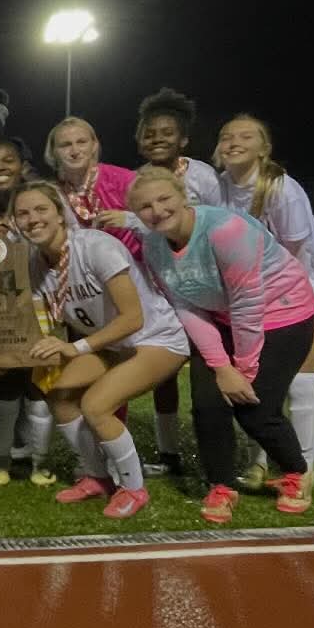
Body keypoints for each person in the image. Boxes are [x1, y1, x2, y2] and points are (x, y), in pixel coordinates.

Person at [129, 166, 314, 523]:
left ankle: (297, 471)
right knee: (207, 405)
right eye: (145, 206)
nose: (157, 210)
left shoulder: (226, 230)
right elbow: (184, 303)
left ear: (183, 197)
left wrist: (241, 371)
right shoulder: (153, 244)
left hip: (282, 313)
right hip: (222, 319)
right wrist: (220, 366)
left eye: (164, 199)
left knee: (254, 408)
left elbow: (247, 302)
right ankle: (221, 484)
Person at [11, 182, 189, 518]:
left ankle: (134, 488)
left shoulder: (95, 246)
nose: (32, 219)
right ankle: (97, 476)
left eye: (41, 210)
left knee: (96, 405)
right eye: (23, 213)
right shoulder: (35, 264)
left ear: (60, 214)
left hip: (155, 337)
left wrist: (73, 348)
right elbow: (49, 316)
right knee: (60, 395)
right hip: (112, 343)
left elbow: (133, 318)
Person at [215, 113, 314, 494]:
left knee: (301, 383)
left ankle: (303, 470)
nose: (234, 142)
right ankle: (259, 462)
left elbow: (295, 259)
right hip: (259, 299)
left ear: (263, 148)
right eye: (226, 136)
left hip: (310, 292)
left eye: (245, 136)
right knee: (260, 387)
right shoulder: (220, 186)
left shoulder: (281, 189)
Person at [125, 87, 218, 478]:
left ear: (183, 139)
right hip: (160, 286)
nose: (157, 139)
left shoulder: (203, 175)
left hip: (203, 286)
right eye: (150, 133)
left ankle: (220, 448)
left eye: (166, 132)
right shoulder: (135, 180)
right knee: (162, 373)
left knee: (209, 371)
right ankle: (169, 453)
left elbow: (218, 222)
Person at [44, 117, 144, 260]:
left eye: (81, 142)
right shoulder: (51, 194)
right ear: (53, 152)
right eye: (65, 145)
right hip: (84, 275)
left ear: (94, 145)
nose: (74, 151)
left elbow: (158, 223)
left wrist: (130, 220)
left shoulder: (124, 180)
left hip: (134, 269)